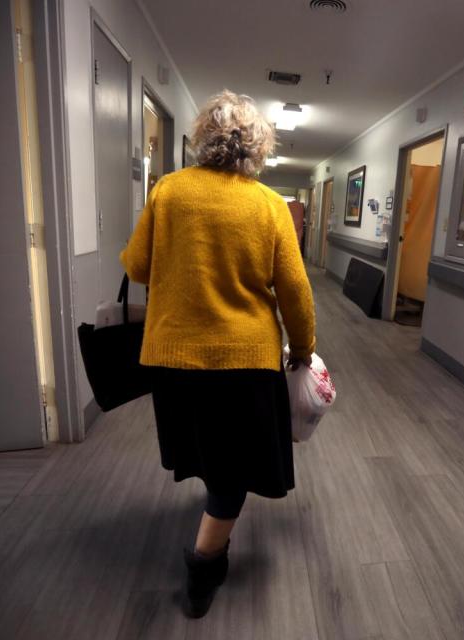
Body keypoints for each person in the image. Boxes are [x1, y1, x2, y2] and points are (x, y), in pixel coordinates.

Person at [120, 89, 316, 618]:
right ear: (256, 147)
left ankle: (212, 520)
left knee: (206, 451)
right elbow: (295, 291)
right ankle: (204, 567)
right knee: (233, 472)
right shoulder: (272, 207)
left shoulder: (168, 191)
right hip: (244, 361)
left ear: (202, 138)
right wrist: (303, 349)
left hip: (174, 358)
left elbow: (138, 267)